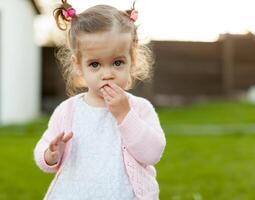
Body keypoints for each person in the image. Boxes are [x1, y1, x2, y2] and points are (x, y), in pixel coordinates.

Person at [33, 1, 166, 199]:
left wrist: (125, 115)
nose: (107, 74)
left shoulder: (139, 108)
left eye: (117, 63)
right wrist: (50, 154)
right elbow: (44, 148)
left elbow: (152, 153)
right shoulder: (68, 110)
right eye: (95, 64)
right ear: (78, 65)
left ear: (132, 61)